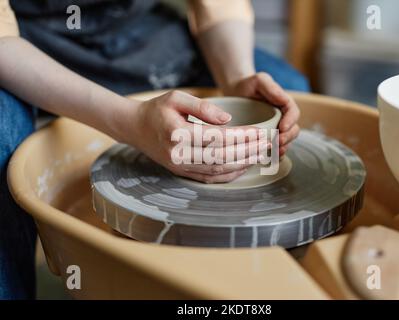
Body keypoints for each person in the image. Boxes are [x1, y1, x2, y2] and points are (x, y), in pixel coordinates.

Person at [0, 0, 309, 299]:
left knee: (284, 85)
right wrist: (131, 122)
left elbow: (219, 5)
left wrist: (237, 80)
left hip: (136, 32)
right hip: (24, 46)